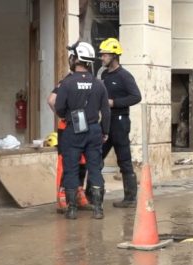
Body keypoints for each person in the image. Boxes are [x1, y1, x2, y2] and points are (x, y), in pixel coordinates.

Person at [54, 41, 110, 220]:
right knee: (95, 169)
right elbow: (106, 111)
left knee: (70, 169)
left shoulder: (67, 83)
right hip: (94, 130)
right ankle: (98, 209)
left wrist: (67, 116)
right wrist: (105, 131)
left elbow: (59, 108)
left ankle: (71, 209)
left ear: (76, 59)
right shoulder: (99, 84)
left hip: (73, 130)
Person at [98, 38, 142, 208]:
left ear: (114, 56)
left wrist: (114, 102)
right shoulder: (103, 75)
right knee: (96, 157)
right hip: (106, 121)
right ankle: (93, 195)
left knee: (124, 160)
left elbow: (136, 96)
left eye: (105, 54)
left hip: (120, 122)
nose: (102, 58)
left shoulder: (124, 76)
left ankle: (130, 198)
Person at [48, 77, 90, 212]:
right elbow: (51, 100)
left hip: (75, 123)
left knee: (81, 160)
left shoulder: (68, 81)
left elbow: (51, 101)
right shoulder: (73, 81)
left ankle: (76, 195)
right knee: (68, 161)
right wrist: (63, 115)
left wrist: (62, 115)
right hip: (77, 123)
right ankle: (63, 197)